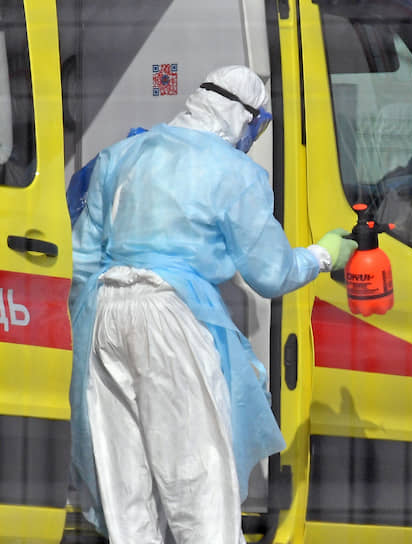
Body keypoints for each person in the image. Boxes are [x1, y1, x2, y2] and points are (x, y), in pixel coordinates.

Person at [69, 65, 357, 543]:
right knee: (199, 482)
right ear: (241, 115)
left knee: (125, 486)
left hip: (104, 311)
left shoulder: (122, 155)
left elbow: (82, 263)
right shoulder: (235, 172)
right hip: (172, 316)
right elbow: (271, 273)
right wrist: (323, 254)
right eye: (257, 124)